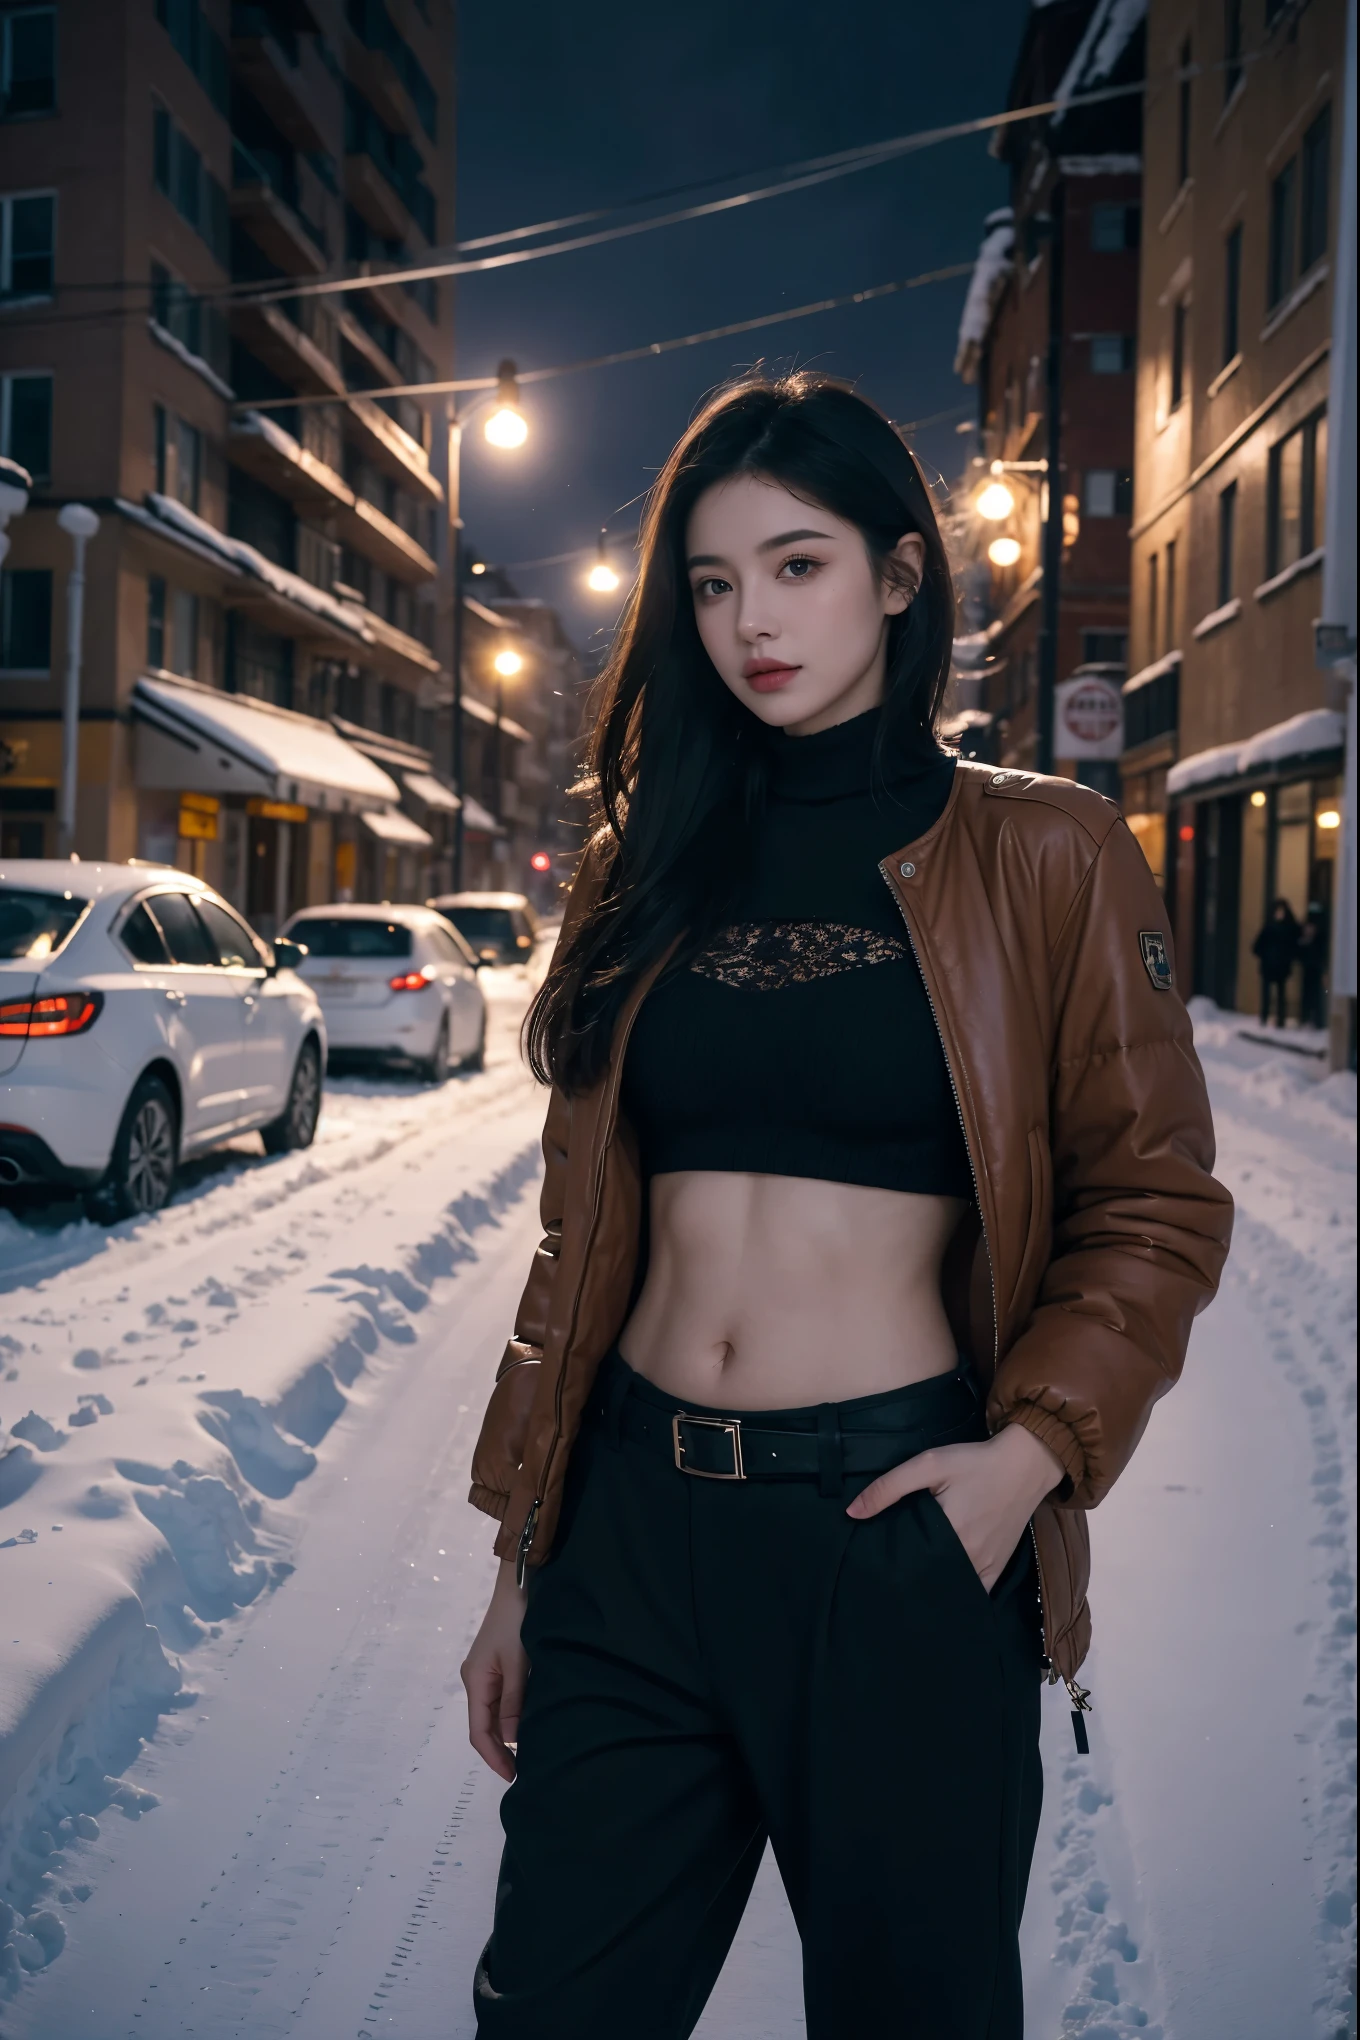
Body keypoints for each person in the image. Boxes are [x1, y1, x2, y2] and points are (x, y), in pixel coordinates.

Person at [460, 372, 1233, 2040]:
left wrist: (1022, 1463)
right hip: (629, 1537)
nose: (752, 621)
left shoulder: (1044, 851)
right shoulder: (651, 858)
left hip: (888, 1535)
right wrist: (524, 1560)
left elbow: (1154, 1199)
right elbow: (578, 1250)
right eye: (714, 581)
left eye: (796, 566)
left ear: (900, 575)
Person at [1252, 897, 1300, 1026]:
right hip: (1269, 965)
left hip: (1281, 966)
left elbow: (1295, 944)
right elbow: (1257, 946)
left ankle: (1280, 1019)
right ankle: (1265, 1017)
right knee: (1267, 994)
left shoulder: (1289, 928)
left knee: (1280, 994)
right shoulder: (1269, 928)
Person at [1297, 898, 1330, 1031]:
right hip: (1311, 965)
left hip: (1315, 965)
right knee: (1311, 993)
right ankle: (1309, 1018)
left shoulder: (1320, 930)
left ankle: (1315, 1019)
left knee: (1316, 993)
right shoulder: (1314, 927)